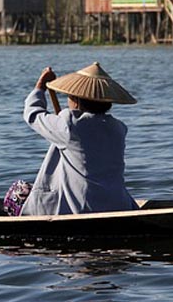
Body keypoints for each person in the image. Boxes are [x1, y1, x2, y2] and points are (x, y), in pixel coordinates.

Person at [15, 62, 139, 216]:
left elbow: (32, 114)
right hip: (119, 204)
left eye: (70, 96)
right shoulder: (118, 128)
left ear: (76, 100)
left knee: (17, 192)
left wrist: (40, 86)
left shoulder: (69, 125)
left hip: (81, 208)